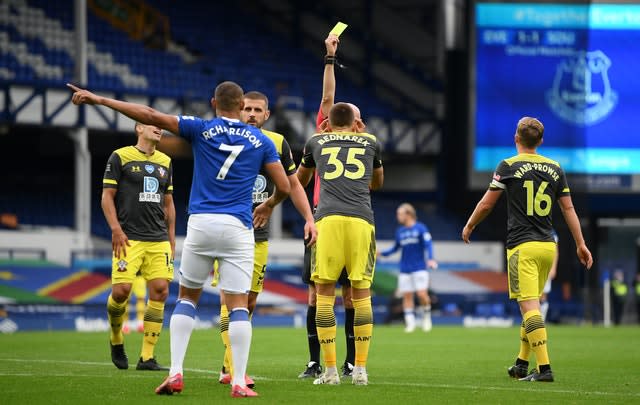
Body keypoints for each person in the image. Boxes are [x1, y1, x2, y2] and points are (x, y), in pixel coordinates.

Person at [68, 81, 291, 398]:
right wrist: (268, 205)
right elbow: (283, 186)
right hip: (239, 227)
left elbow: (148, 114)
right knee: (239, 304)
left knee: (187, 299)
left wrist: (99, 99)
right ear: (242, 106)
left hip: (201, 224)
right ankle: (239, 380)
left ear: (214, 102)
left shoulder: (200, 128)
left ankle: (175, 374)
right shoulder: (261, 140)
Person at [462, 117, 593, 383]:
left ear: (516, 138)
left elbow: (487, 204)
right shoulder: (555, 168)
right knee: (531, 303)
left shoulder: (508, 165)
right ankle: (522, 363)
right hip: (548, 246)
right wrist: (580, 243)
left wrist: (470, 225)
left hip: (522, 246)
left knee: (529, 306)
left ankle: (544, 369)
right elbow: (568, 209)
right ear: (541, 141)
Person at [215, 91, 318, 386]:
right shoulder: (225, 137)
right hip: (226, 228)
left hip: (257, 234)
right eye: (246, 108)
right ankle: (234, 369)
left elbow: (292, 184)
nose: (251, 114)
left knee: (248, 301)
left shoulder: (276, 142)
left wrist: (307, 218)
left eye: (257, 110)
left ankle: (228, 367)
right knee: (228, 298)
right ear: (238, 109)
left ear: (266, 114)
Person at [297, 102, 384, 386]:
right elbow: (377, 184)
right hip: (361, 221)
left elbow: (301, 181)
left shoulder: (316, 140)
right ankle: (360, 370)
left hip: (327, 220)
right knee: (361, 294)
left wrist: (321, 140)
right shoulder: (371, 141)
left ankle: (331, 371)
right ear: (357, 122)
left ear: (327, 121)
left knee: (323, 294)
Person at [298, 33, 366, 380]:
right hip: (321, 220)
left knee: (351, 298)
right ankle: (316, 361)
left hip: (345, 220)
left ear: (359, 124)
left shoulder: (362, 146)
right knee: (315, 295)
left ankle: (351, 362)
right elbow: (328, 97)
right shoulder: (326, 136)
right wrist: (329, 57)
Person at [101, 122, 175, 371]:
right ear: (138, 128)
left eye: (161, 127)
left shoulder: (165, 160)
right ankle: (116, 336)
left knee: (161, 291)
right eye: (153, 126)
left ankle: (147, 357)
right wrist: (115, 229)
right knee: (121, 291)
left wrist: (171, 237)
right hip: (128, 237)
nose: (159, 129)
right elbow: (106, 197)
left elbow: (168, 203)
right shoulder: (120, 156)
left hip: (158, 238)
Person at [378, 203, 438, 333]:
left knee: (422, 294)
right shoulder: (400, 231)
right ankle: (410, 324)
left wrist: (431, 258)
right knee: (407, 296)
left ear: (408, 214)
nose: (398, 216)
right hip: (405, 269)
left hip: (419, 268)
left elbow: (428, 244)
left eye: (400, 214)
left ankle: (426, 317)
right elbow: (395, 248)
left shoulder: (421, 228)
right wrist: (382, 253)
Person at [540, 231, 559, 322]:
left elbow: (555, 251)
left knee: (543, 295)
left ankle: (541, 321)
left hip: (545, 267)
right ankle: (531, 321)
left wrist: (553, 268)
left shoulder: (551, 231)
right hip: (532, 265)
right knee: (531, 295)